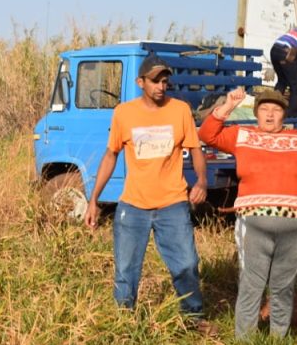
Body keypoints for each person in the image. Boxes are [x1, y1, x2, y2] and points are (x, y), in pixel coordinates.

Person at [84, 54, 209, 327]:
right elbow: (110, 156)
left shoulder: (180, 110)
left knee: (186, 264)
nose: (161, 87)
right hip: (133, 205)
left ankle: (193, 320)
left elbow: (196, 150)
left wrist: (201, 181)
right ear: (140, 82)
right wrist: (93, 200)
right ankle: (124, 324)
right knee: (126, 270)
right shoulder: (124, 113)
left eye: (164, 81)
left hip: (173, 204)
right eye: (154, 81)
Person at [198, 87, 297, 339]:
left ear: (283, 115)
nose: (270, 115)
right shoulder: (242, 135)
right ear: (256, 113)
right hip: (254, 221)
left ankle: (279, 341)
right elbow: (207, 134)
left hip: (294, 223)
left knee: (283, 285)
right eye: (264, 109)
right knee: (252, 283)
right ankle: (245, 342)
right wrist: (229, 105)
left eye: (276, 110)